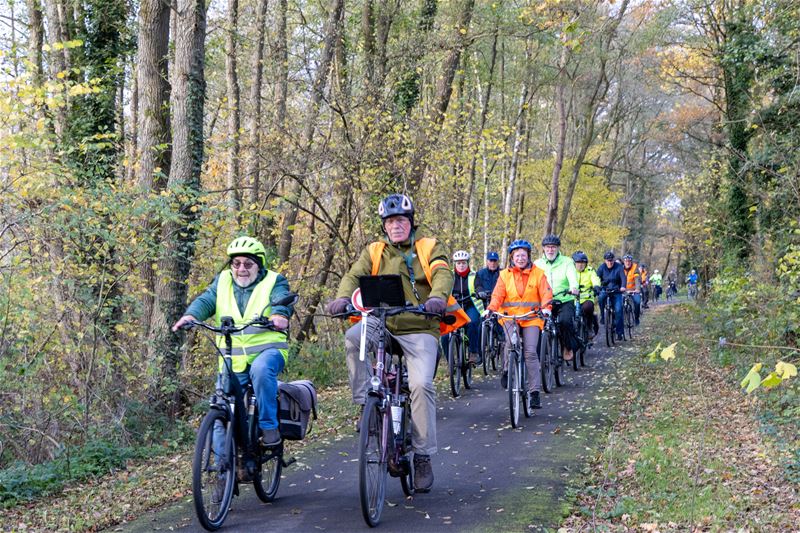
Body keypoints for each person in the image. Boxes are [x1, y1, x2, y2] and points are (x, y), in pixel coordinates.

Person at [325, 194, 452, 493]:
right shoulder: (375, 250)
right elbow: (354, 274)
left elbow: (443, 272)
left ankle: (422, 456)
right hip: (382, 322)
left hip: (419, 325)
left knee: (421, 385)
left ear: (411, 222)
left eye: (401, 221)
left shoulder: (429, 246)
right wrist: (343, 298)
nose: (396, 226)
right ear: (384, 226)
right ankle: (365, 408)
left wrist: (437, 298)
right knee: (353, 338)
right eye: (390, 222)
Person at [172, 236, 294, 498]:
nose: (241, 269)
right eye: (236, 263)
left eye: (247, 264)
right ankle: (221, 472)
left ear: (258, 265)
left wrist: (279, 315)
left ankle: (269, 427)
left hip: (268, 351)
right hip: (231, 358)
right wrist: (191, 316)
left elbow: (282, 299)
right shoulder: (223, 280)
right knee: (219, 409)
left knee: (261, 372)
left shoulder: (274, 280)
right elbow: (206, 300)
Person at [486, 239, 552, 411]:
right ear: (512, 257)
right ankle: (507, 370)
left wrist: (546, 308)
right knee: (510, 343)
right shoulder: (504, 275)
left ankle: (535, 392)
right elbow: (497, 295)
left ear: (528, 256)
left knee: (530, 352)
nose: (521, 258)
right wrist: (491, 309)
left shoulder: (538, 273)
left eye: (523, 255)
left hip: (531, 317)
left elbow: (545, 293)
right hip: (510, 317)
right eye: (517, 255)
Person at [534, 235, 580, 361]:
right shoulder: (537, 264)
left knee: (565, 322)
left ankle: (567, 346)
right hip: (544, 300)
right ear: (543, 248)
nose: (550, 250)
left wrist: (573, 287)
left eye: (553, 247)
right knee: (537, 324)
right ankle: (538, 354)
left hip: (564, 298)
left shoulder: (567, 261)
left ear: (558, 248)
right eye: (548, 247)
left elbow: (572, 277)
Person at [442, 250, 484, 365]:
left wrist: (480, 292)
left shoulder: (474, 275)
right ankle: (450, 361)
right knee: (445, 336)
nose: (461, 265)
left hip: (470, 305)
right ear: (455, 264)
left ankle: (473, 353)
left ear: (468, 263)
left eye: (463, 263)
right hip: (453, 308)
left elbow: (478, 286)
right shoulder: (449, 276)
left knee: (472, 323)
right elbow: (442, 288)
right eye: (458, 263)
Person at [596, 251, 627, 341]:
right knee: (601, 298)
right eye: (608, 261)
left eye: (611, 260)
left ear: (613, 260)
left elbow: (623, 278)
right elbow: (597, 278)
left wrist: (623, 286)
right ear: (605, 261)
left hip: (616, 291)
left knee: (618, 310)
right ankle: (602, 315)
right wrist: (597, 286)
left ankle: (619, 332)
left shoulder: (619, 267)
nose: (610, 262)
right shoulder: (601, 268)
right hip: (605, 289)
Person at [572, 251, 601, 337]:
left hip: (586, 297)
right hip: (573, 297)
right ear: (574, 263)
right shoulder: (571, 271)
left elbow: (595, 279)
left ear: (586, 264)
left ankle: (589, 327)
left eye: (582, 263)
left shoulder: (590, 270)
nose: (580, 265)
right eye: (578, 263)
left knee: (587, 307)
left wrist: (596, 286)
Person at [622, 254, 642, 326]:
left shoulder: (635, 268)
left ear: (631, 262)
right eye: (626, 261)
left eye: (629, 261)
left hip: (634, 290)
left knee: (637, 302)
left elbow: (637, 279)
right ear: (623, 262)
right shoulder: (620, 268)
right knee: (618, 303)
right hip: (623, 290)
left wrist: (637, 289)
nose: (627, 263)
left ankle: (636, 318)